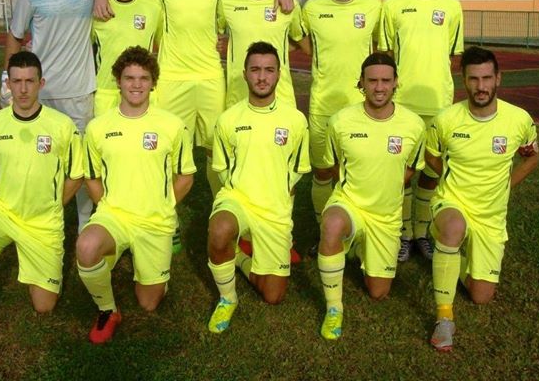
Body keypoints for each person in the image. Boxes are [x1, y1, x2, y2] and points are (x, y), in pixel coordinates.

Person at [95, 0, 293, 198]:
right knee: (168, 147)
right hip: (172, 79)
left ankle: (224, 204)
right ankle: (166, 211)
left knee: (219, 147)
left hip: (211, 77)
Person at [0, 52, 83, 346]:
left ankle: (39, 265)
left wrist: (52, 204)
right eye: (17, 81)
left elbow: (77, 175)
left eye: (30, 81)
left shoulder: (62, 126)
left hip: (43, 223)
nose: (23, 89)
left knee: (44, 306)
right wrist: (5, 200)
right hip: (4, 212)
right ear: (8, 84)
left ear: (41, 83)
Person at [77, 46, 196, 344]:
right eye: (129, 77)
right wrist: (106, 205)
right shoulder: (98, 127)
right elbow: (91, 177)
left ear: (153, 83)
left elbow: (185, 177)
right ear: (118, 80)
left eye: (143, 78)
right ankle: (108, 310)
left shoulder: (171, 125)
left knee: (149, 302)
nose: (136, 84)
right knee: (87, 246)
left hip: (154, 221)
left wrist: (165, 204)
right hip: (115, 215)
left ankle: (153, 269)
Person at [425, 46, 539, 351]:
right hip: (452, 202)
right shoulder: (446, 119)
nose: (481, 86)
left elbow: (531, 157)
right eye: (474, 79)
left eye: (487, 78)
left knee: (481, 296)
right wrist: (449, 182)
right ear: (463, 80)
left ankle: (452, 259)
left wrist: (507, 185)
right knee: (452, 227)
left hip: (490, 217)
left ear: (498, 78)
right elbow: (431, 157)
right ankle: (444, 318)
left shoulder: (519, 120)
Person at [3, 0, 112, 231]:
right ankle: (41, 221)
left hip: (80, 91)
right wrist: (7, 80)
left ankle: (84, 226)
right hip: (42, 93)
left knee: (81, 161)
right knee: (42, 159)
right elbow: (15, 35)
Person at [317, 53, 425, 340]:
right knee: (332, 224)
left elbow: (412, 167)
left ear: (396, 83)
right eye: (372, 80)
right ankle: (334, 308)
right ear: (361, 83)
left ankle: (357, 246)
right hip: (350, 204)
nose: (379, 87)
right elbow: (334, 166)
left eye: (386, 81)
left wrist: (385, 186)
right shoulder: (340, 121)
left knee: (378, 292)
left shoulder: (414, 125)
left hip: (387, 218)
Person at [206, 42, 310, 333]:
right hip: (238, 199)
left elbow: (298, 170)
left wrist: (277, 193)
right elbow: (224, 170)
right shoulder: (228, 120)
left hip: (274, 212)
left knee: (273, 295)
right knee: (219, 229)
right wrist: (240, 192)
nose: (261, 77)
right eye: (255, 70)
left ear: (279, 74)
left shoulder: (295, 120)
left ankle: (239, 257)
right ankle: (227, 299)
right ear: (244, 74)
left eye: (268, 70)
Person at [378, 0, 464, 261]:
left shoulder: (452, 7)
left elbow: (454, 57)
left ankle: (421, 231)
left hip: (438, 102)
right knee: (401, 169)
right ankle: (402, 233)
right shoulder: (393, 5)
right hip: (404, 104)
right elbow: (386, 55)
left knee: (432, 168)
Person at [300, 0, 382, 227]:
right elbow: (304, 43)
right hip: (323, 104)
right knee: (323, 172)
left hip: (361, 106)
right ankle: (325, 228)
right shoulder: (312, 8)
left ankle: (359, 224)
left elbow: (382, 50)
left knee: (359, 170)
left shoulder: (373, 6)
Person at [218, 0, 305, 108]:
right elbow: (215, 35)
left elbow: (302, 42)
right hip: (239, 97)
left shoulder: (288, 2)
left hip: (281, 98)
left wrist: (282, 48)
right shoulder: (227, 3)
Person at [91, 0, 162, 117]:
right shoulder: (97, 8)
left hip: (142, 91)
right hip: (106, 93)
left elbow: (162, 46)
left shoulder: (153, 7)